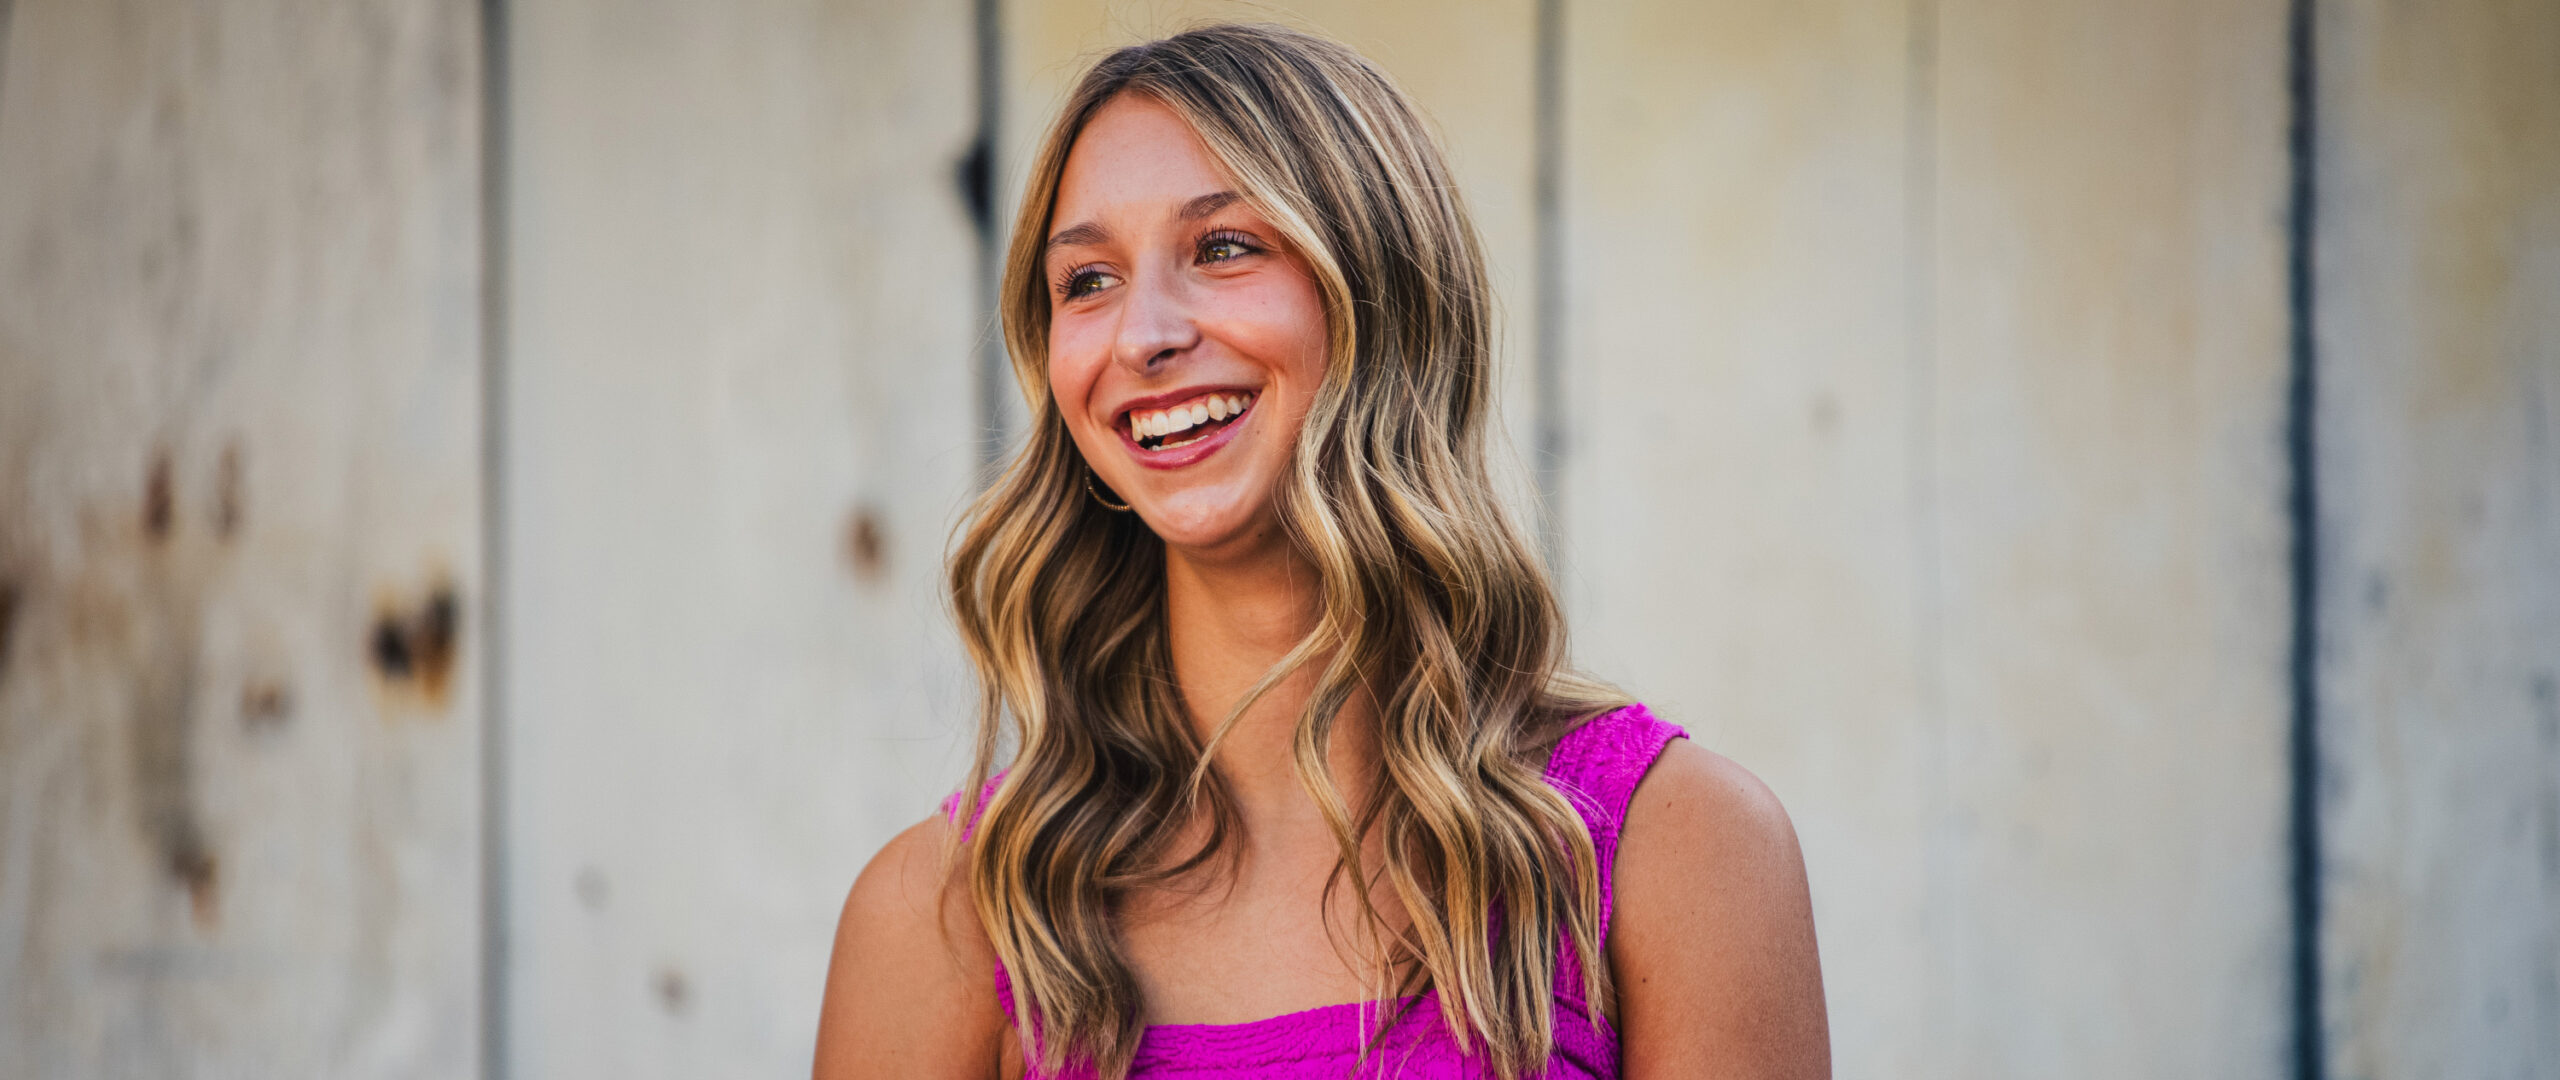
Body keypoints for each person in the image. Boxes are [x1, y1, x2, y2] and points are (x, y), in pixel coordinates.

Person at [813, 23, 1826, 1080]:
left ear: (1383, 298)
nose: (1140, 336)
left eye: (1223, 247)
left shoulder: (1675, 848)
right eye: (1087, 280)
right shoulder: (943, 916)